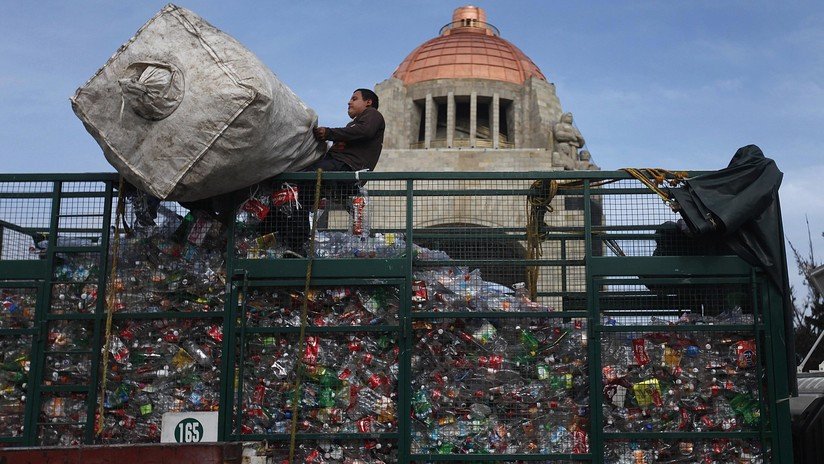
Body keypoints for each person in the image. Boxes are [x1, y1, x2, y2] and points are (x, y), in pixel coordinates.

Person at [271, 88, 385, 252]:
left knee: (304, 178)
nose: (349, 102)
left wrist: (330, 133)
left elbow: (364, 132)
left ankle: (298, 239)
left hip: (347, 169)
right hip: (338, 167)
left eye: (354, 98)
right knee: (301, 191)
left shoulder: (372, 115)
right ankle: (293, 243)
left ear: (368, 102)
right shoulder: (353, 125)